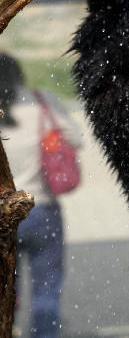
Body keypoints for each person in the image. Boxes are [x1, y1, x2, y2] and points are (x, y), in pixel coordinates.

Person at [0, 53, 82, 338]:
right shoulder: (41, 102)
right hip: (40, 211)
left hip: (0, 216)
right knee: (46, 289)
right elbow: (76, 139)